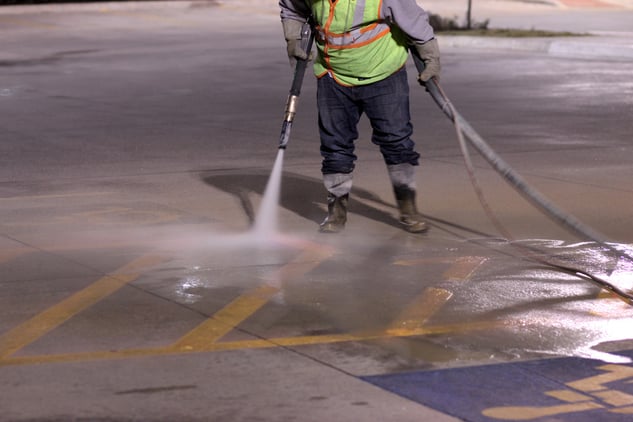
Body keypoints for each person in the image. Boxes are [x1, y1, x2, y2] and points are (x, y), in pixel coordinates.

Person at [279, 0, 440, 233]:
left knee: (397, 141)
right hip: (333, 75)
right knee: (334, 146)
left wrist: (431, 57)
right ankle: (336, 213)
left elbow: (414, 22)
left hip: (383, 73)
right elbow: (291, 7)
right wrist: (293, 38)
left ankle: (408, 208)